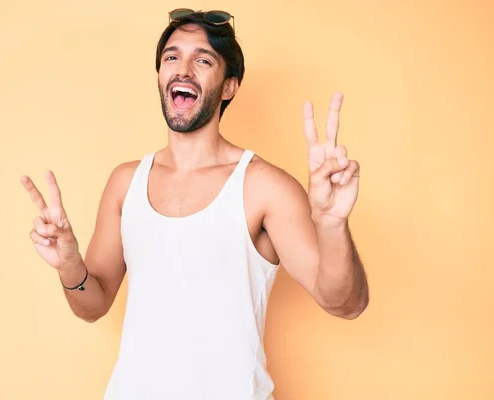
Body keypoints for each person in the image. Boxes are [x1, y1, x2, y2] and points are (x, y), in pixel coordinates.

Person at [20, 9, 369, 400]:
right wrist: (69, 264)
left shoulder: (263, 187)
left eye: (202, 60)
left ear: (229, 87)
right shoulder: (125, 182)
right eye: (171, 57)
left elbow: (345, 304)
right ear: (160, 77)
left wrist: (332, 222)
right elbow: (92, 306)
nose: (182, 69)